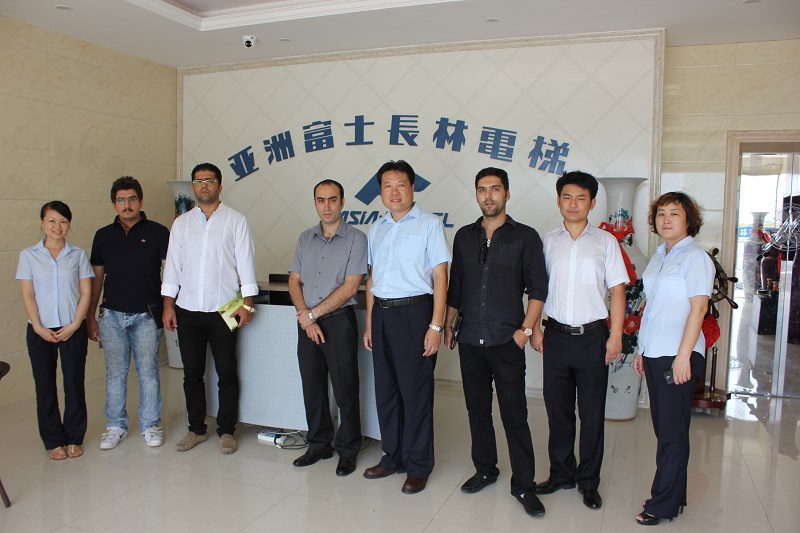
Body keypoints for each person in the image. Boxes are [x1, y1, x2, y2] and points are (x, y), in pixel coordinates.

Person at [444, 167, 548, 517]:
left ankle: (524, 485)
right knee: (477, 411)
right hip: (470, 340)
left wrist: (525, 331)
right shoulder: (464, 236)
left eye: (495, 189)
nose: (488, 196)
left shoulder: (525, 237)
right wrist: (449, 326)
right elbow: (456, 286)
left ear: (507, 193)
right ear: (476, 194)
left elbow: (538, 289)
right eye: (482, 190)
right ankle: (486, 469)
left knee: (515, 415)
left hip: (506, 341)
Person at [532, 171, 629, 510]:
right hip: (555, 336)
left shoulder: (605, 242)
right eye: (567, 197)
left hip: (593, 338)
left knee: (591, 413)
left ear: (592, 203)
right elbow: (536, 290)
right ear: (558, 200)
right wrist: (534, 329)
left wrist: (615, 336)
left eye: (581, 198)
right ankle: (561, 474)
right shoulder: (547, 241)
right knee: (558, 410)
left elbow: (618, 291)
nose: (573, 204)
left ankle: (588, 481)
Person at [362, 160, 450, 494]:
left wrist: (436, 326)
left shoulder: (429, 224)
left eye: (400, 184)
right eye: (387, 186)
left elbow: (440, 277)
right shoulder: (377, 228)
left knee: (416, 394)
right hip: (382, 315)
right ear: (380, 191)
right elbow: (372, 280)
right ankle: (392, 456)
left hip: (415, 314)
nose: (394, 192)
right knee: (386, 392)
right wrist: (370, 323)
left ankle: (418, 465)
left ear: (413, 187)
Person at [161, 163, 258, 455]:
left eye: (209, 180)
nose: (204, 185)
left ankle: (227, 431)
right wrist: (168, 305)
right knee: (192, 373)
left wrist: (248, 304)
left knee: (227, 371)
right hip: (187, 308)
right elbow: (173, 268)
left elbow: (246, 263)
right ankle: (196, 429)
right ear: (193, 186)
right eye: (198, 181)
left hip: (225, 308)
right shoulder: (182, 224)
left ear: (219, 185)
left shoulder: (236, 221)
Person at [633, 192, 714, 525]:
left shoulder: (696, 258)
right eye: (661, 214)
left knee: (671, 433)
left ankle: (663, 504)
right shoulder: (660, 257)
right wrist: (641, 348)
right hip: (656, 351)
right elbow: (651, 308)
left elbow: (699, 308)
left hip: (678, 354)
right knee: (667, 428)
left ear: (688, 220)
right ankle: (673, 496)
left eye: (674, 214)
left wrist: (684, 356)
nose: (666, 219)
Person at [288, 179, 368, 476]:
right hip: (307, 322)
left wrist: (312, 315)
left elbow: (351, 287)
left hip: (337, 322)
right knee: (312, 386)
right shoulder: (304, 238)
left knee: (346, 389)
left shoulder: (357, 239)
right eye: (321, 200)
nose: (327, 206)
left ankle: (348, 449)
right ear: (315, 203)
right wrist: (305, 316)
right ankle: (319, 444)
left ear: (342, 202)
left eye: (332, 199)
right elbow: (294, 280)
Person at [88, 177, 170, 450]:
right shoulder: (103, 236)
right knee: (115, 373)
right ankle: (116, 425)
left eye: (132, 198)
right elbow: (96, 280)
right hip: (111, 316)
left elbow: (170, 274)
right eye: (121, 200)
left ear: (141, 201)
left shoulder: (158, 232)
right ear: (114, 204)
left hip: (147, 315)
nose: (127, 204)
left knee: (148, 372)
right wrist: (90, 315)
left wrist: (169, 306)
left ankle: (150, 424)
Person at [16, 201, 93, 460]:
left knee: (74, 383)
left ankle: (74, 437)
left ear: (69, 224)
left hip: (73, 328)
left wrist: (75, 324)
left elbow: (86, 292)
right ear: (42, 223)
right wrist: (38, 327)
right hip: (40, 330)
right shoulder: (28, 255)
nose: (57, 226)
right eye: (51, 221)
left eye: (63, 221)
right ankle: (53, 440)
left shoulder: (78, 255)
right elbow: (28, 295)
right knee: (45, 385)